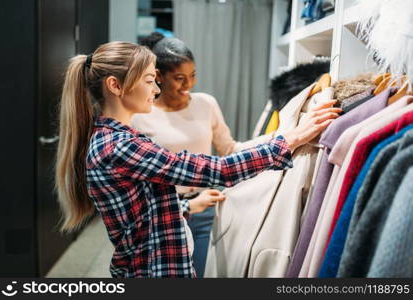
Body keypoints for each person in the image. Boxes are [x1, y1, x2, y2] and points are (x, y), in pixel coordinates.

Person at [55, 41, 340, 278]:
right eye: (148, 81)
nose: (155, 89)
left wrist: (188, 205)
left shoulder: (118, 138)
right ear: (116, 86)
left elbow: (144, 210)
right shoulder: (119, 145)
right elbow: (215, 168)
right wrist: (289, 139)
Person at [130, 33, 274, 276]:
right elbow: (138, 180)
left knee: (201, 273)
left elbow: (229, 149)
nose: (188, 85)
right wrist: (185, 205)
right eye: (179, 78)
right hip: (164, 212)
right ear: (159, 77)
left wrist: (277, 139)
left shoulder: (206, 104)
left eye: (193, 75)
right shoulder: (139, 116)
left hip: (206, 207)